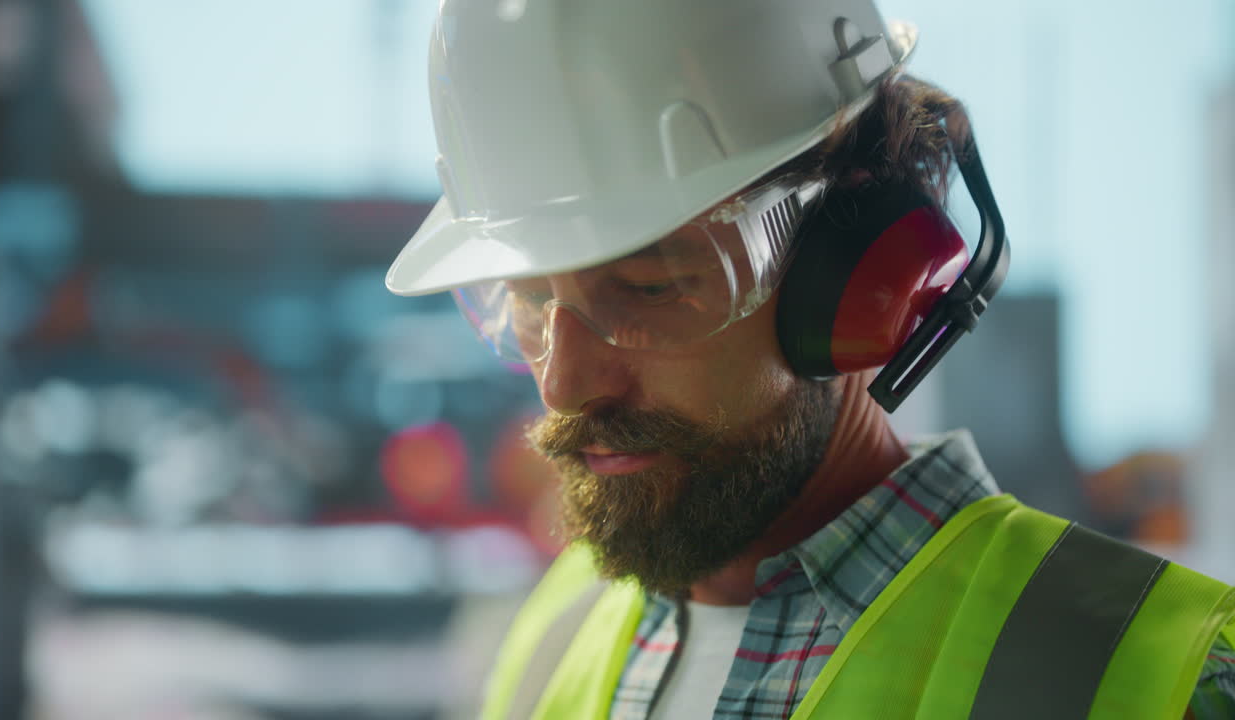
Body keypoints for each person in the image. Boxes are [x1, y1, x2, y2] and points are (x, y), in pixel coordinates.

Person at [386, 1, 1235, 717]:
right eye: (529, 302)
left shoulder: (1152, 681)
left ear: (863, 279)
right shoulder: (559, 630)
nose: (562, 381)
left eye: (650, 290)